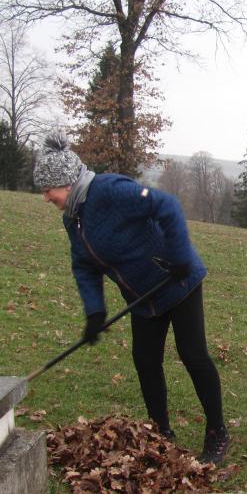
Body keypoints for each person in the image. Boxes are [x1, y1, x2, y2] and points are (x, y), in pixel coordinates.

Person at [33, 131, 229, 464]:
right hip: (144, 297)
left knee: (193, 354)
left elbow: (166, 205)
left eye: (47, 189)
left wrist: (180, 256)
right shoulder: (73, 219)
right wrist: (95, 312)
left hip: (178, 279)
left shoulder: (109, 190)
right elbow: (84, 266)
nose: (45, 197)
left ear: (66, 182)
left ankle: (217, 433)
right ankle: (161, 432)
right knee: (145, 360)